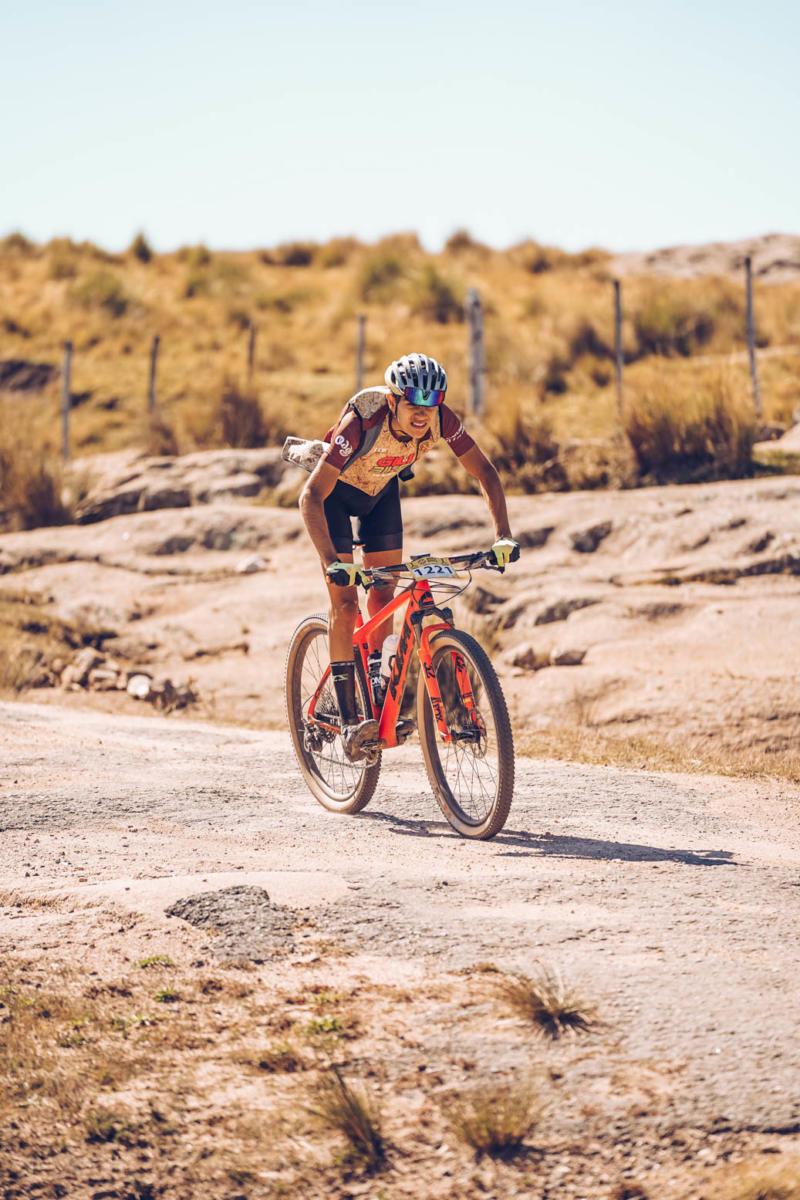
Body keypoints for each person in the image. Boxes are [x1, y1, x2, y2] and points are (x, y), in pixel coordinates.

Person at [299, 352, 520, 761]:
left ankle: (376, 677)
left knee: (383, 592)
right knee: (346, 606)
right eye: (413, 404)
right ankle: (348, 721)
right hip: (333, 499)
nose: (422, 414)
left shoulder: (442, 420)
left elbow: (485, 472)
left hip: (380, 496)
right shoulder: (362, 421)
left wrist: (503, 535)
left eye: (430, 404)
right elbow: (310, 496)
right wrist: (332, 562)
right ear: (393, 400)